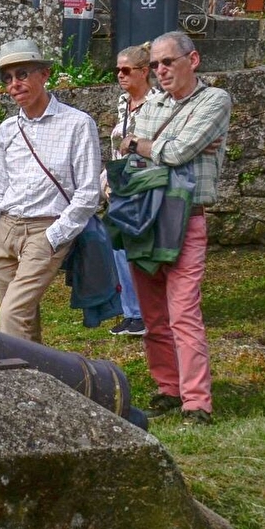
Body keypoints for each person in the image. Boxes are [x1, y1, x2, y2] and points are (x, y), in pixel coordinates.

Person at [119, 31, 231, 426]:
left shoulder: (214, 100)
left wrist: (141, 143)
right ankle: (169, 388)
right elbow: (130, 155)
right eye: (154, 65)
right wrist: (142, 145)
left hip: (186, 217)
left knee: (183, 313)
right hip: (146, 215)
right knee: (152, 315)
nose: (160, 70)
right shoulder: (152, 103)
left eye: (168, 62)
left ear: (193, 60)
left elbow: (177, 151)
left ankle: (197, 402)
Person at [0, 39, 104, 344]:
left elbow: (89, 192)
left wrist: (54, 236)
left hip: (46, 229)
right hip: (5, 230)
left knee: (11, 313)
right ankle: (37, 378)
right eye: (8, 79)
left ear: (45, 74)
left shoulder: (77, 124)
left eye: (21, 74)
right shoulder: (8, 128)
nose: (14, 84)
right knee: (20, 314)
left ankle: (12, 380)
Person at [106, 44, 158, 337]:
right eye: (117, 70)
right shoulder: (123, 103)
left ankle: (145, 312)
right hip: (121, 185)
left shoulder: (158, 104)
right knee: (118, 247)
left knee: (141, 250)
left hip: (146, 183)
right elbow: (116, 148)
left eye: (126, 70)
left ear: (144, 71)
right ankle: (131, 312)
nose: (120, 75)